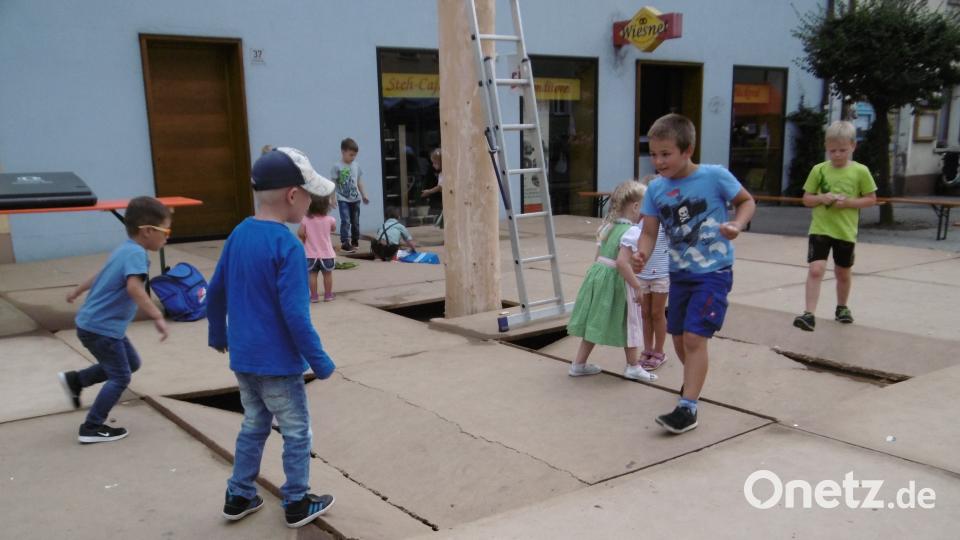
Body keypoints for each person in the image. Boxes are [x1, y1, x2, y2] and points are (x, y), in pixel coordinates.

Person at [208, 147, 337, 529]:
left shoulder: (238, 234)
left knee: (254, 424)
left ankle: (239, 493)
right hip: (279, 364)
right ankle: (297, 501)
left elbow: (215, 291)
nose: (312, 202)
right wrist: (321, 360)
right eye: (310, 193)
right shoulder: (287, 246)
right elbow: (296, 315)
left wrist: (218, 333)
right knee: (297, 431)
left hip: (244, 359)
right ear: (293, 195)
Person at [635, 113, 756, 434]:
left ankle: (688, 407)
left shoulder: (715, 176)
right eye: (653, 153)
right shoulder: (655, 190)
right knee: (678, 337)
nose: (658, 161)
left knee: (693, 337)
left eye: (666, 154)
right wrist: (642, 253)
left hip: (714, 272)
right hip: (680, 274)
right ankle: (693, 386)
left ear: (687, 150)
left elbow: (746, 201)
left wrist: (737, 224)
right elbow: (648, 231)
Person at [57, 196, 171, 444]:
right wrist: (156, 315)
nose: (168, 237)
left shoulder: (124, 248)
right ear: (148, 231)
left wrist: (78, 290)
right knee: (121, 376)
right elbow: (134, 288)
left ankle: (76, 380)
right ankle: (92, 427)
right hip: (102, 330)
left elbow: (102, 274)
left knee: (130, 363)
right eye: (166, 231)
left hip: (95, 325)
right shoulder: (136, 255)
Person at [565, 180, 658, 382]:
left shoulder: (608, 227)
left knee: (595, 320)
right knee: (631, 321)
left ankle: (578, 364)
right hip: (618, 282)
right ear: (635, 206)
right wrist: (637, 286)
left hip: (599, 278)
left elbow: (599, 256)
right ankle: (633, 366)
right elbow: (622, 263)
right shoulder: (632, 231)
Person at [793, 120, 877, 331]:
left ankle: (842, 307)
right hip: (821, 229)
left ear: (853, 146)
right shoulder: (819, 170)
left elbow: (871, 199)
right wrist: (822, 198)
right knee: (816, 269)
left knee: (843, 272)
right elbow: (806, 199)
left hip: (845, 231)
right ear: (826, 148)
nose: (837, 155)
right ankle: (809, 313)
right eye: (832, 151)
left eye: (842, 150)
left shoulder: (861, 171)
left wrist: (848, 203)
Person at [621, 175, 671, 371]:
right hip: (642, 274)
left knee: (657, 313)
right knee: (644, 313)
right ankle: (647, 349)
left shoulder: (666, 219)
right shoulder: (639, 221)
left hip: (661, 274)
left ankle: (659, 351)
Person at [331, 137, 369, 253]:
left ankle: (355, 241)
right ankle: (345, 242)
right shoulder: (337, 166)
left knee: (355, 221)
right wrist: (332, 198)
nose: (353, 158)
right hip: (343, 198)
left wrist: (364, 195)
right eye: (351, 155)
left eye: (354, 155)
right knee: (345, 221)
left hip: (355, 199)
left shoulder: (356, 166)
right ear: (343, 152)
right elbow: (333, 183)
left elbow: (359, 182)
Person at [298, 194, 337, 302]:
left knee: (312, 275)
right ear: (326, 207)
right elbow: (333, 229)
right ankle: (328, 295)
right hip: (327, 254)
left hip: (310, 254)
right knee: (327, 275)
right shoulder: (330, 220)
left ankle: (314, 296)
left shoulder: (305, 220)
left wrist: (304, 237)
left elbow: (300, 233)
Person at [420, 147, 444, 228]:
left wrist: (429, 191)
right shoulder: (441, 173)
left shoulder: (442, 174)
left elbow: (440, 187)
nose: (433, 165)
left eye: (435, 163)